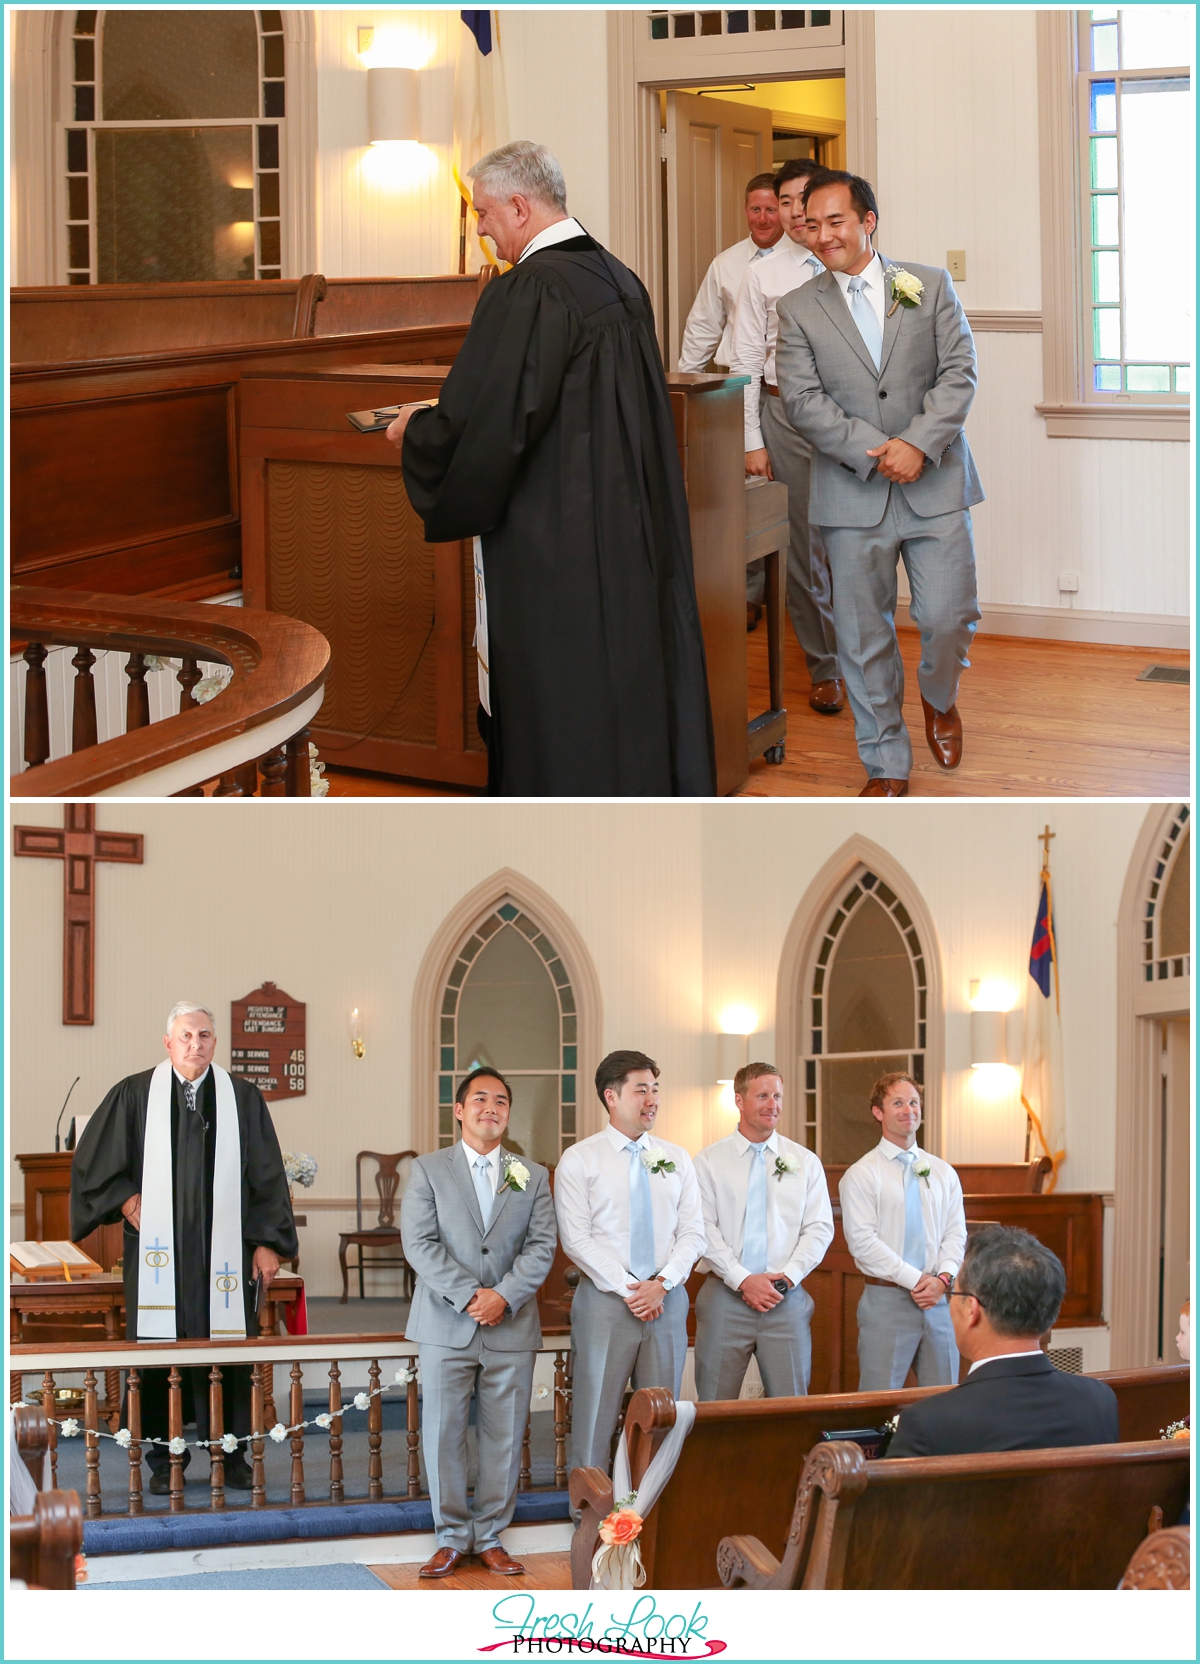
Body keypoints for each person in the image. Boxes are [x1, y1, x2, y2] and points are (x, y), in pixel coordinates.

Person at [391, 140, 715, 798]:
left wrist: (415, 432)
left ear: (518, 205)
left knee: (565, 707)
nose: (479, 227)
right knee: (629, 687)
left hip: (559, 550)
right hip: (631, 537)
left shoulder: (530, 292)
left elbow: (488, 429)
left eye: (482, 212)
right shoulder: (620, 276)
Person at [775, 170, 984, 796]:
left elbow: (960, 372)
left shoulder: (927, 286)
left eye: (836, 221)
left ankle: (940, 697)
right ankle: (886, 761)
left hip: (936, 484)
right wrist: (877, 452)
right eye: (813, 224)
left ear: (868, 221)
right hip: (850, 491)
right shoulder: (797, 308)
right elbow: (802, 400)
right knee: (863, 637)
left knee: (948, 616)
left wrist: (917, 444)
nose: (823, 235)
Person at [70, 1004, 296, 1494]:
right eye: (186, 1035)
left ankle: (231, 1456)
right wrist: (128, 1201)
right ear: (168, 1042)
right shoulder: (134, 1094)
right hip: (159, 1259)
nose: (196, 1043)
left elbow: (266, 1176)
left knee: (228, 1353)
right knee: (158, 1353)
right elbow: (93, 1161)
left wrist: (265, 1244)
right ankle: (163, 1460)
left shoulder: (241, 1098)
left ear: (216, 1043)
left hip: (227, 1257)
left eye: (205, 1035)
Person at [400, 1067, 557, 1578]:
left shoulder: (531, 1175)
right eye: (481, 1099)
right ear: (460, 1110)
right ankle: (449, 1537)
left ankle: (489, 1534)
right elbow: (419, 1244)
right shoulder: (427, 1170)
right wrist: (472, 1295)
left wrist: (503, 1297)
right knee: (444, 1431)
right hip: (446, 1323)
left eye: (502, 1101)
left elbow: (541, 1248)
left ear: (508, 1114)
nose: (492, 1107)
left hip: (510, 1325)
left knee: (505, 1435)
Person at [553, 1050, 705, 1476]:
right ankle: (589, 1520)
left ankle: (649, 1512)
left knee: (660, 1415)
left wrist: (663, 1283)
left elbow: (694, 1232)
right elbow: (577, 1239)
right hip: (606, 1303)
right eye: (641, 1089)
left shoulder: (677, 1157)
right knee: (595, 1413)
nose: (652, 1098)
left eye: (656, 1089)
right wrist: (631, 1289)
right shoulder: (580, 1159)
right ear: (612, 1097)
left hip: (666, 1301)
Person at [731, 159, 843, 708]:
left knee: (852, 539)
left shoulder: (855, 265)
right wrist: (752, 438)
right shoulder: (763, 275)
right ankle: (826, 667)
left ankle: (862, 651)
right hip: (785, 419)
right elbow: (746, 359)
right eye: (788, 202)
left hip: (852, 420)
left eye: (806, 199)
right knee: (800, 548)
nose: (798, 212)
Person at [885, 1226, 1119, 1456]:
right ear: (1049, 1316)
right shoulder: (1099, 1401)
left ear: (972, 1310)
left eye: (952, 1293)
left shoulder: (927, 1423)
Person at [692, 1063, 833, 1400]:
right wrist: (743, 1278)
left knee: (792, 1406)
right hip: (725, 1298)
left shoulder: (805, 1161)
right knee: (714, 1407)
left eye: (778, 1096)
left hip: (786, 1298)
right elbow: (701, 1228)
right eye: (763, 1096)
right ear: (739, 1100)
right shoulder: (708, 1161)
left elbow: (819, 1228)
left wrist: (786, 1278)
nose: (773, 1105)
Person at [838, 1072, 965, 1391]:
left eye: (914, 1102)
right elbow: (864, 1243)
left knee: (945, 1399)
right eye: (898, 1103)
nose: (909, 1109)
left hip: (938, 1301)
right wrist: (916, 1280)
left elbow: (955, 1234)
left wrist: (942, 1280)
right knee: (879, 1400)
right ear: (878, 1112)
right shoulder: (862, 1174)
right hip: (887, 1299)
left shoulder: (943, 1172)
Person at [677, 172, 782, 375]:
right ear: (745, 210)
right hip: (737, 382)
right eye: (755, 209)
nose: (762, 219)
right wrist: (685, 382)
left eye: (771, 210)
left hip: (785, 386)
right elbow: (703, 326)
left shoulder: (804, 261)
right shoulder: (724, 264)